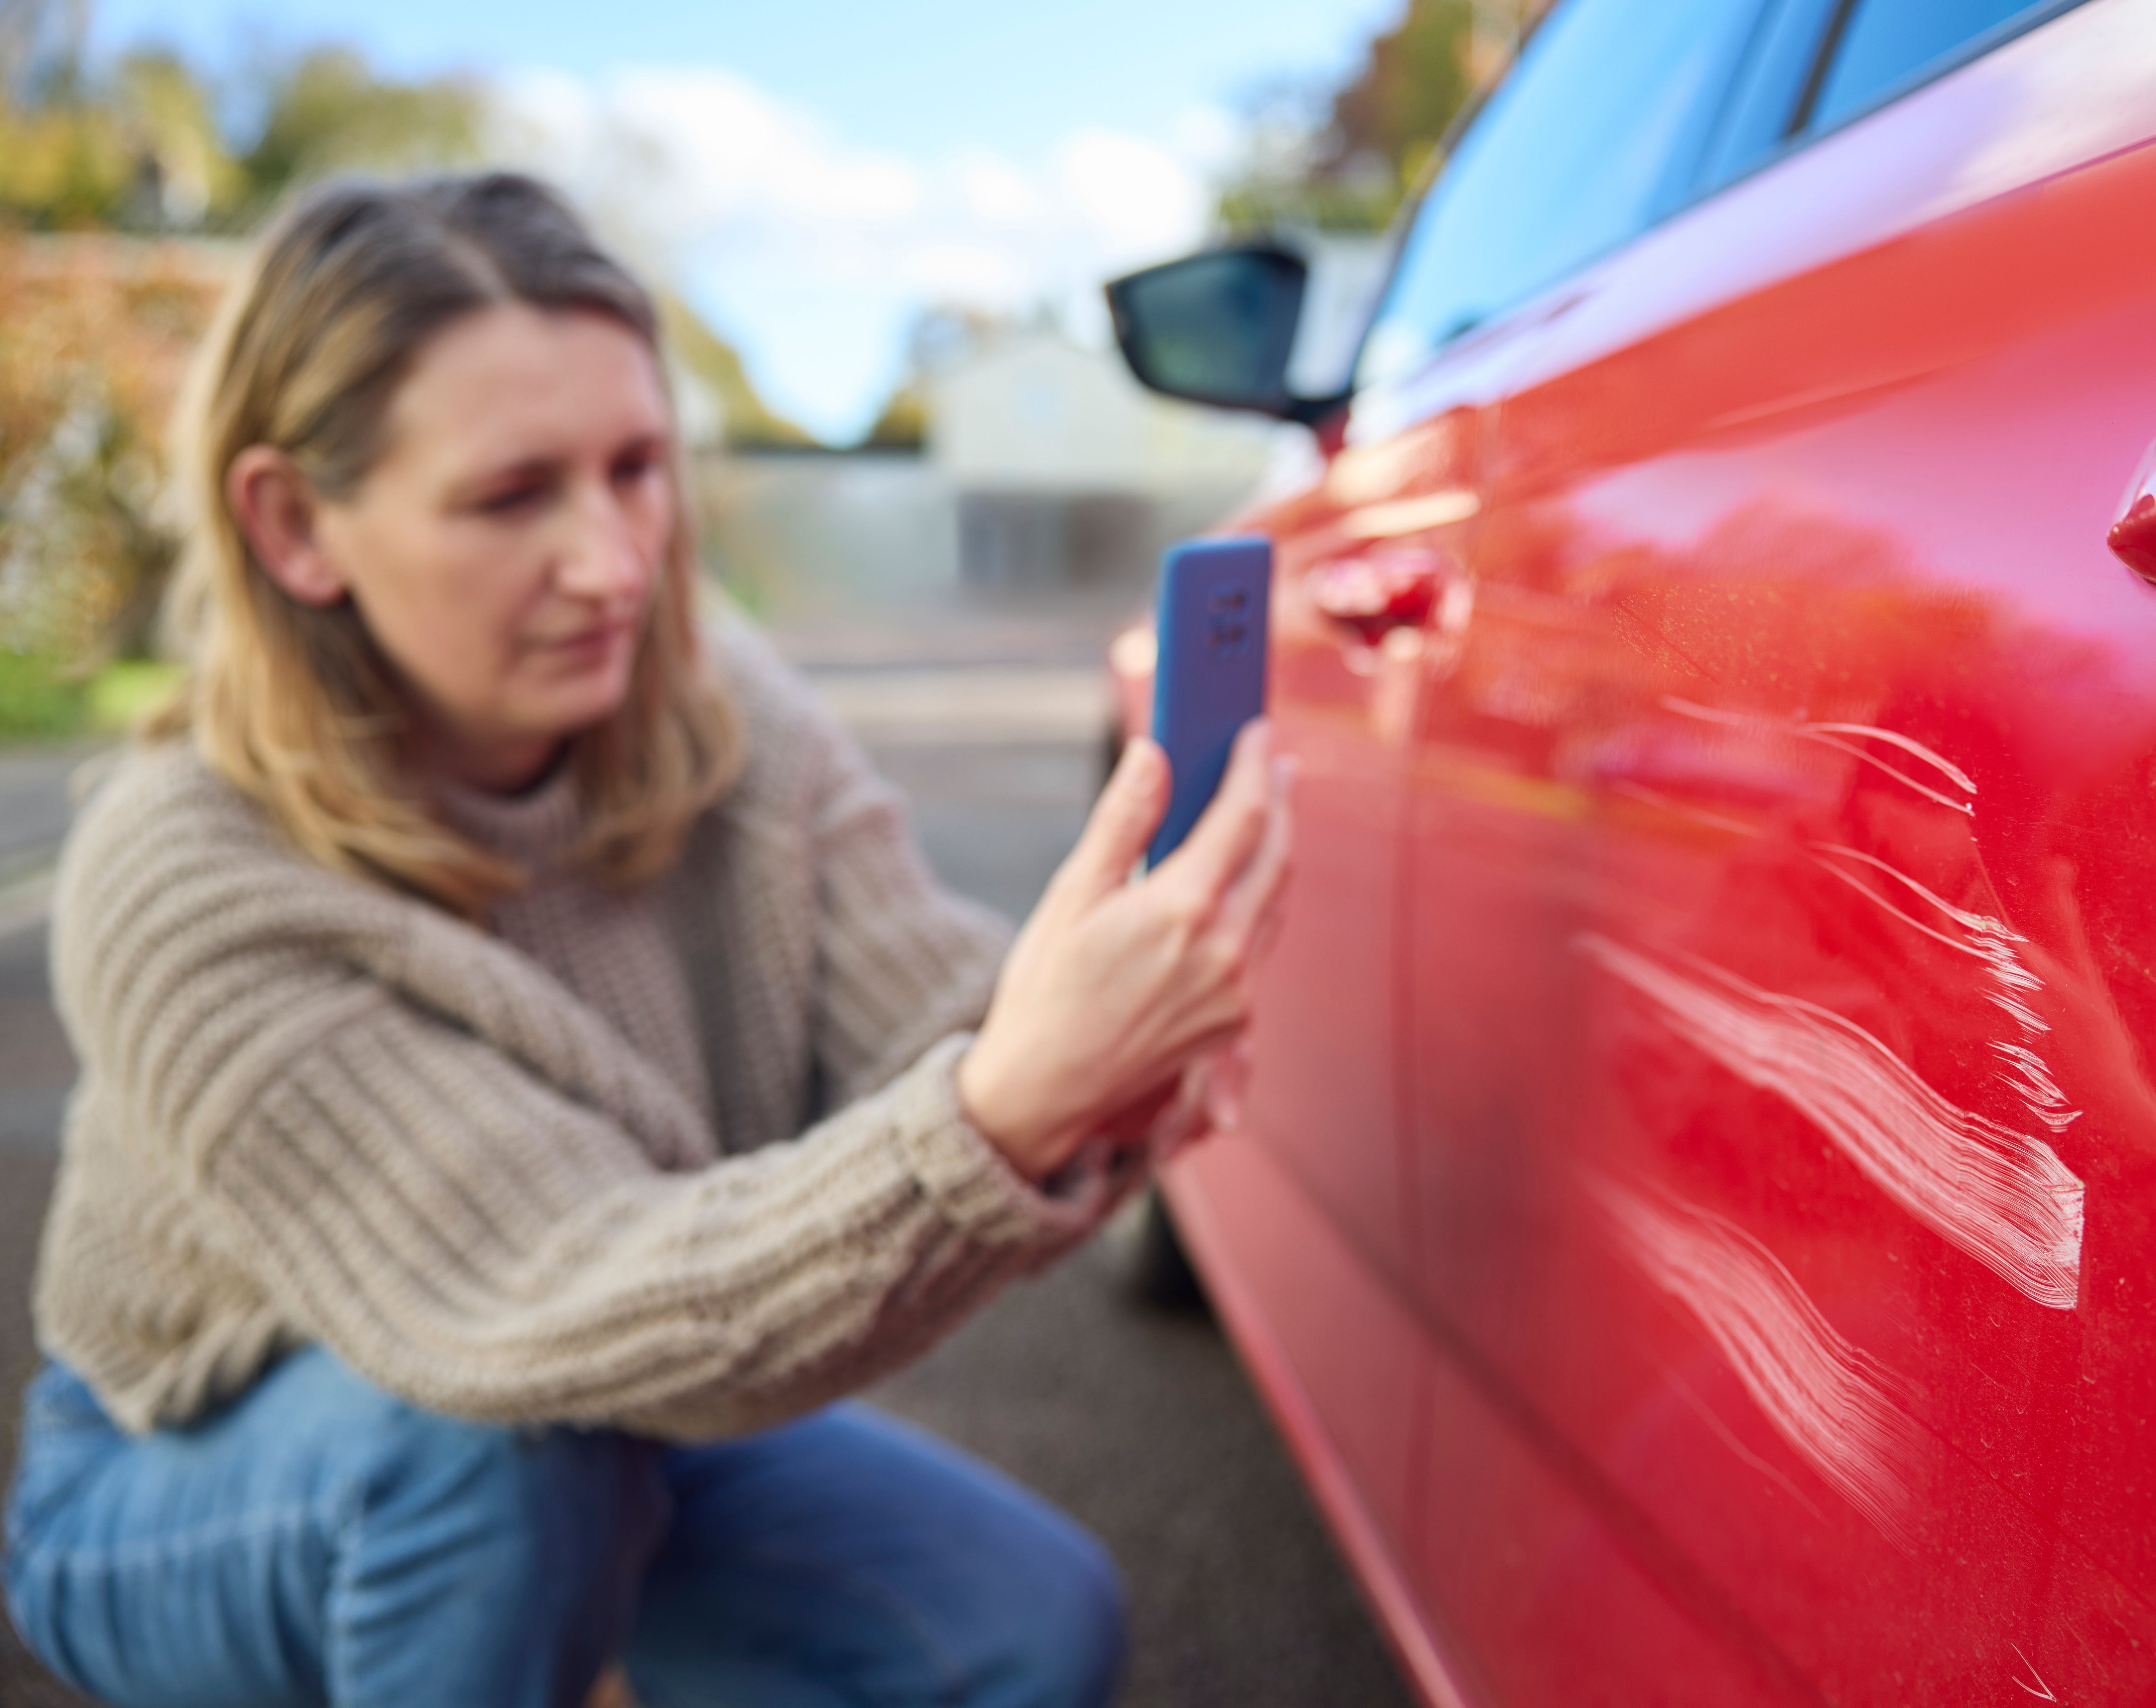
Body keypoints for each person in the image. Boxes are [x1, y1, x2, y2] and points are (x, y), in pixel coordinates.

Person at [1, 171, 1290, 1708]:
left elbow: (925, 1015)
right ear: (293, 527)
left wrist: (1097, 1064)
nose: (613, 564)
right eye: (511, 495)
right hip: (194, 1469)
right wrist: (1005, 1106)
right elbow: (544, 1300)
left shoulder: (721, 708)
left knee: (1022, 1622)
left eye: (636, 468)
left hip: (594, 1419)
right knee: (491, 1476)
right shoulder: (186, 879)